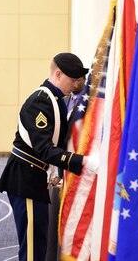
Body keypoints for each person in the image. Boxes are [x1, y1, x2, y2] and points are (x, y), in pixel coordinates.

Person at [0, 53, 99, 261]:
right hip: (26, 179)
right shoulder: (40, 102)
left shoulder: (55, 100)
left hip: (35, 178)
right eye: (73, 78)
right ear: (58, 74)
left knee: (39, 243)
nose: (76, 83)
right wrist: (84, 161)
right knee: (33, 250)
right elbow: (44, 149)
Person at [45, 74, 87, 261]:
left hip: (77, 175)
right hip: (59, 171)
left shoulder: (89, 104)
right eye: (74, 78)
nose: (76, 83)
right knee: (52, 226)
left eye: (81, 78)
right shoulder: (62, 100)